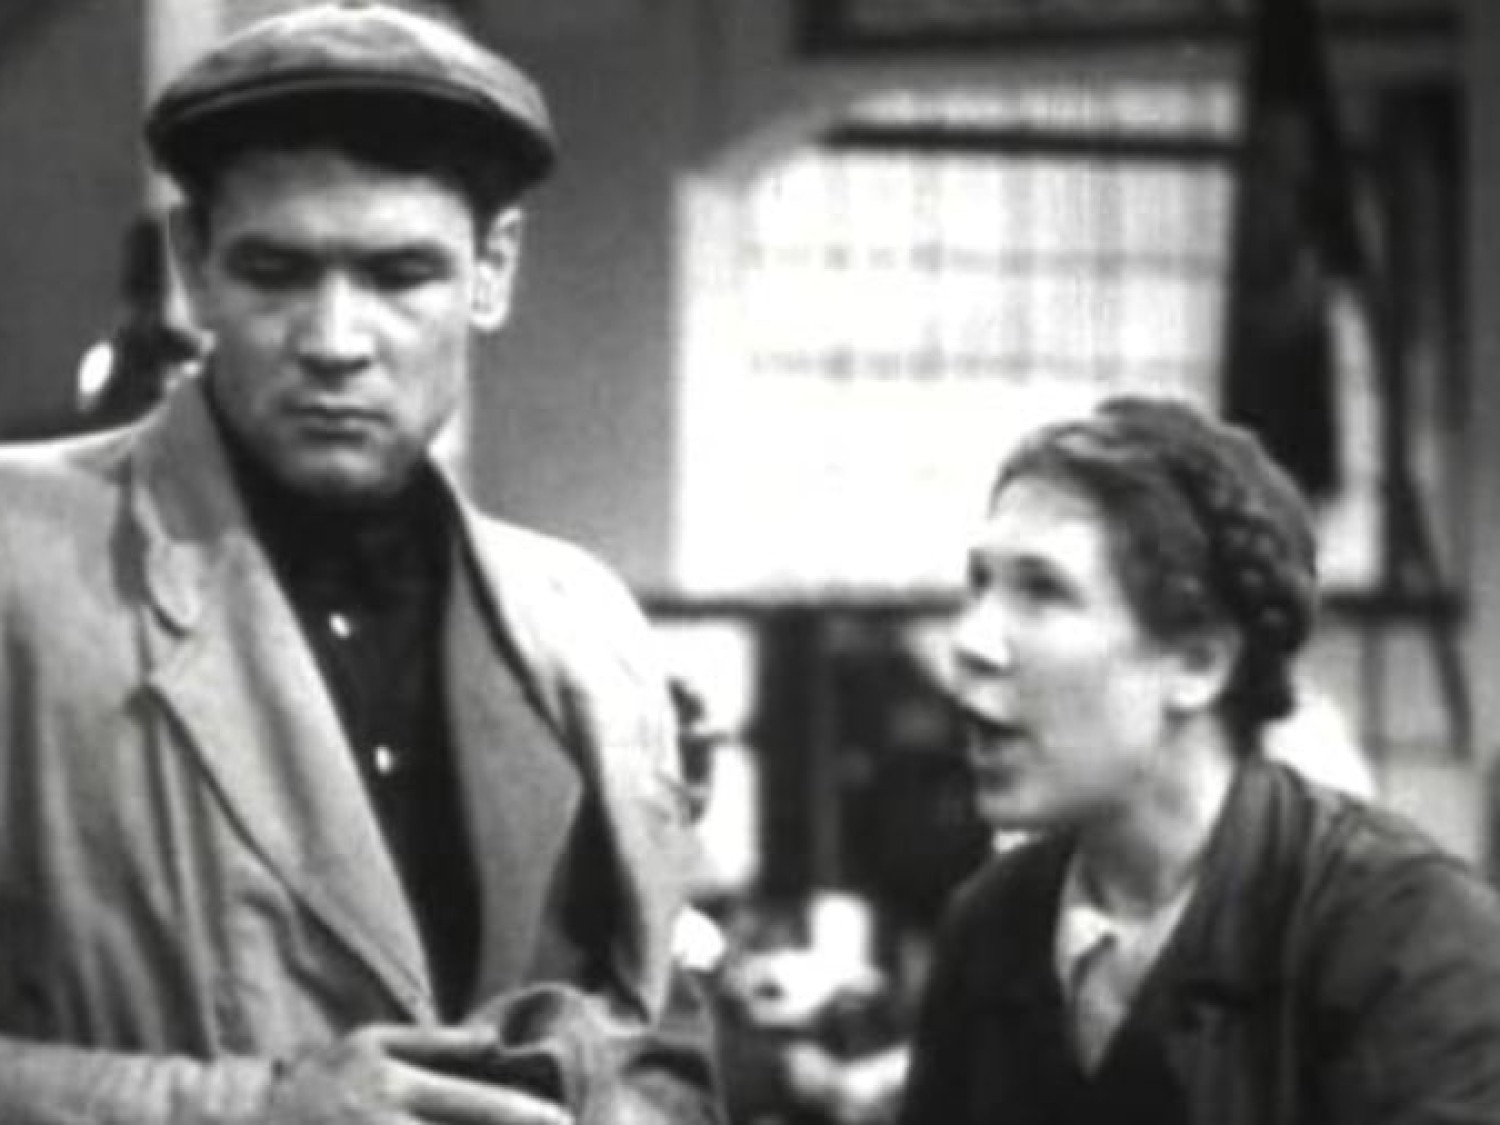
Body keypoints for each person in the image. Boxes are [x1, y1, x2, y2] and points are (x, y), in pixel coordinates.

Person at [0, 4, 721, 1123]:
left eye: (399, 275)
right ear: (194, 265)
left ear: (492, 269)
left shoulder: (583, 624)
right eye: (276, 272)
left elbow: (667, 1037)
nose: (335, 341)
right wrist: (251, 1111)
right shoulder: (19, 560)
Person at [898, 397, 1500, 1124]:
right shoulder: (990, 927)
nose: (970, 642)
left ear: (1197, 662)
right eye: (980, 585)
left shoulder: (1406, 938)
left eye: (1042, 590)